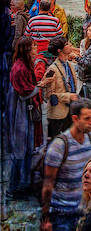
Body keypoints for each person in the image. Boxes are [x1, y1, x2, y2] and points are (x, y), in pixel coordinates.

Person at [6, 37, 52, 200]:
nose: (35, 49)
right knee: (19, 152)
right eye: (33, 47)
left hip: (25, 111)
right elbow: (25, 92)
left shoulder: (24, 65)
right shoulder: (20, 68)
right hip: (21, 112)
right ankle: (13, 188)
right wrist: (41, 84)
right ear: (27, 50)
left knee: (26, 151)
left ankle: (23, 185)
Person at [40, 99, 91, 231]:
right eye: (87, 118)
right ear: (75, 119)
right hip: (61, 213)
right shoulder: (59, 146)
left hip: (83, 210)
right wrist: (45, 218)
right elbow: (48, 184)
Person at [45, 36, 78, 138]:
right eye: (67, 44)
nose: (70, 45)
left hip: (70, 112)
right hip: (58, 115)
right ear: (60, 51)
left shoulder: (70, 65)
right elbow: (49, 94)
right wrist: (68, 96)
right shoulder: (52, 69)